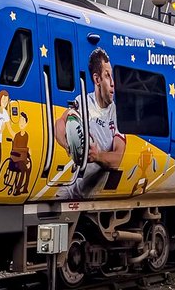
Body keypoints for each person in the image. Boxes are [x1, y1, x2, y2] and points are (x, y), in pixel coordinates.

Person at [53, 47, 125, 200]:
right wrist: (69, 145)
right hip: (71, 190)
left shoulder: (117, 113)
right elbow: (59, 123)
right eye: (107, 76)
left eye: (112, 77)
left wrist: (98, 155)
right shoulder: (83, 102)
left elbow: (118, 159)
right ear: (97, 79)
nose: (113, 83)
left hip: (96, 195)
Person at [5, 111, 31, 196]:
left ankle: (25, 188)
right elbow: (15, 148)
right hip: (15, 158)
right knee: (23, 169)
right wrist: (26, 149)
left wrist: (27, 160)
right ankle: (18, 189)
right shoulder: (17, 135)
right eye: (20, 120)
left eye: (23, 121)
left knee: (29, 169)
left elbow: (24, 150)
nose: (21, 123)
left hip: (22, 158)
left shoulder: (26, 135)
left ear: (26, 123)